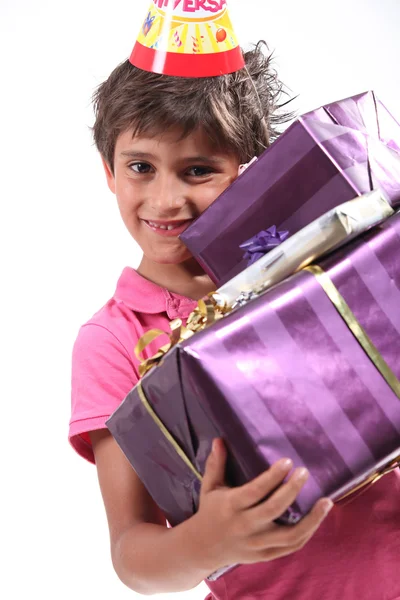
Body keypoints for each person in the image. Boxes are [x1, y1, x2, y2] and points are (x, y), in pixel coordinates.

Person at [69, 39, 400, 600]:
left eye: (198, 170)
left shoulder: (321, 254)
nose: (166, 199)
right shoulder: (114, 337)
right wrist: (209, 542)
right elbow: (132, 555)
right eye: (141, 167)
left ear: (248, 171)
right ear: (109, 171)